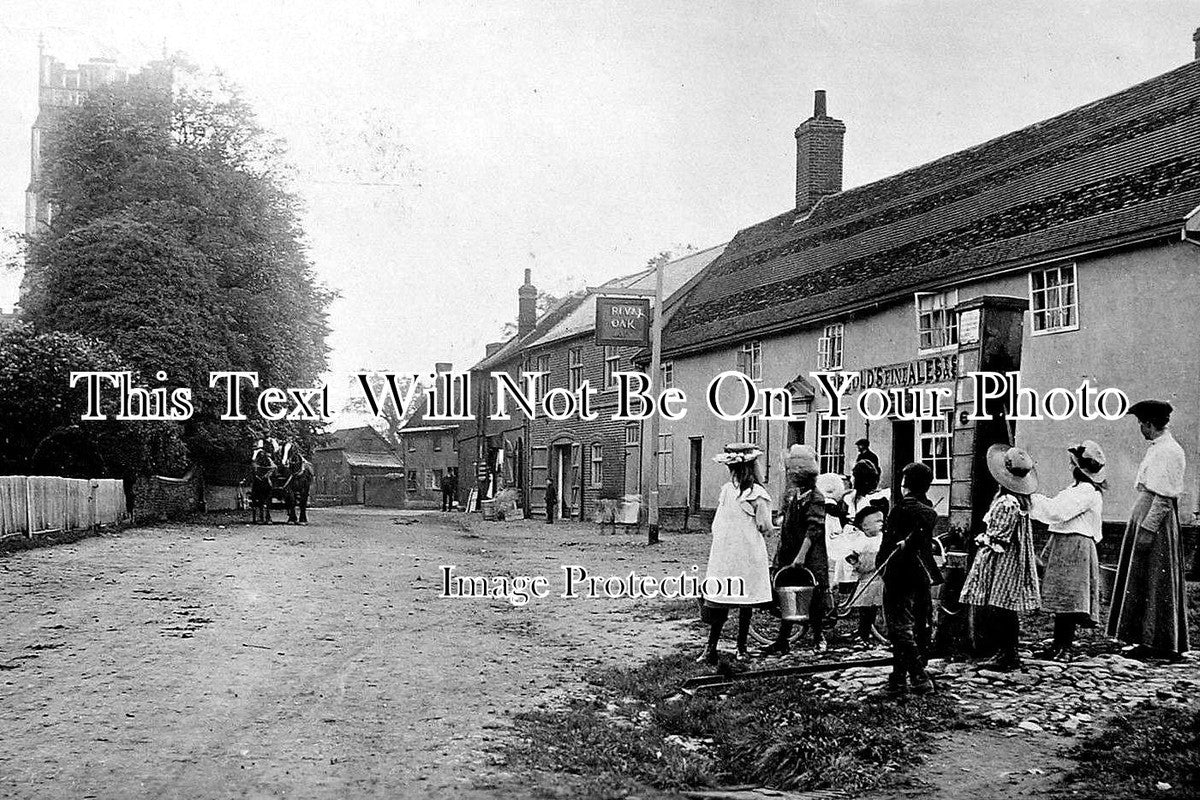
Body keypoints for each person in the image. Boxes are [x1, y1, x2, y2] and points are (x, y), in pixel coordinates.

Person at [1108, 400, 1190, 658]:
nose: (1140, 429)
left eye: (1141, 424)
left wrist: (1147, 530)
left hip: (1155, 521)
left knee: (1155, 578)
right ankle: (1145, 638)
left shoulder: (1167, 451)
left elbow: (1163, 497)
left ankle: (1156, 641)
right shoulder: (1159, 447)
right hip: (1146, 514)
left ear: (1150, 424)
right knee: (1143, 578)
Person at [960, 445, 1042, 671]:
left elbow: (998, 538)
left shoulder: (1007, 503)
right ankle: (1007, 651)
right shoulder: (1019, 501)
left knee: (1000, 606)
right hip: (1012, 557)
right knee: (1005, 607)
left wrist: (981, 539)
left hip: (1004, 559)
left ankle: (1006, 654)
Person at [1029, 441, 1106, 662]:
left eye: (1072, 462)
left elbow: (1057, 511)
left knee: (1070, 599)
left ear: (1078, 467)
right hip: (1065, 543)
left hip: (1076, 545)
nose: (1069, 466)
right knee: (1063, 598)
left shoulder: (1086, 491)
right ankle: (1058, 644)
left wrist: (1030, 496)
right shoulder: (1074, 490)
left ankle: (1065, 646)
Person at [699, 443, 774, 664]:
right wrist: (772, 525)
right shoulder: (758, 493)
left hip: (724, 551)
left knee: (720, 599)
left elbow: (718, 522)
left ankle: (710, 648)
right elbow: (764, 525)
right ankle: (741, 648)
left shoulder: (726, 490)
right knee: (745, 600)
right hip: (747, 551)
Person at [877, 462, 942, 696]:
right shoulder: (925, 504)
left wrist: (883, 564)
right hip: (921, 574)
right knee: (916, 626)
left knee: (899, 628)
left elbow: (889, 542)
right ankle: (898, 679)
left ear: (905, 484)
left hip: (899, 573)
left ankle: (918, 676)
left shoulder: (906, 507)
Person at [760, 446, 827, 656]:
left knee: (813, 596)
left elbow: (814, 529)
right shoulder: (793, 495)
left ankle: (818, 637)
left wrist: (801, 556)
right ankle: (782, 640)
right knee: (788, 597)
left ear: (803, 474)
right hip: (790, 551)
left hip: (809, 555)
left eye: (793, 472)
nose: (789, 475)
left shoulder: (816, 498)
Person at [845, 505, 886, 645]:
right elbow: (851, 556)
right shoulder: (861, 540)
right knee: (865, 608)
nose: (881, 524)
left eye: (882, 521)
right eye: (877, 521)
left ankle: (869, 632)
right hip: (866, 578)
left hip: (878, 577)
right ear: (865, 526)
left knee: (873, 607)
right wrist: (856, 564)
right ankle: (863, 633)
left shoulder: (882, 539)